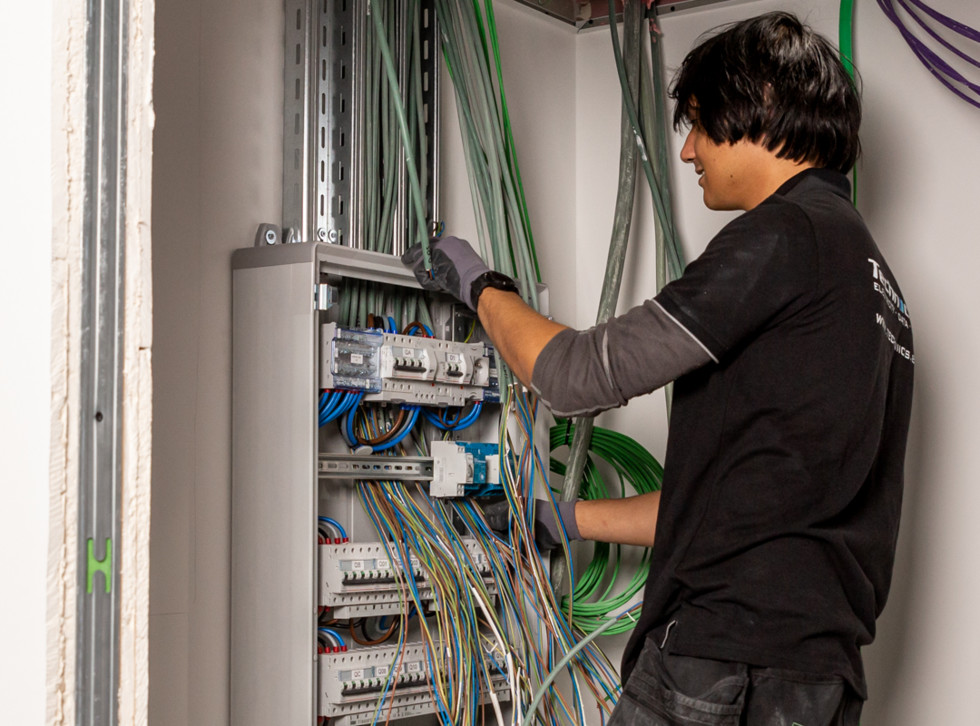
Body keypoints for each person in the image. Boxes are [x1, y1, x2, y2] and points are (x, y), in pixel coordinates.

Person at [403, 11, 913, 726]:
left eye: (700, 124)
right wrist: (562, 520)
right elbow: (736, 510)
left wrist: (481, 286)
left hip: (721, 661)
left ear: (761, 102)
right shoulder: (872, 281)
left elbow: (575, 374)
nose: (688, 151)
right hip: (815, 680)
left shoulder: (785, 236)